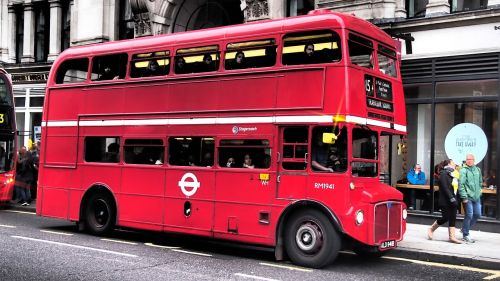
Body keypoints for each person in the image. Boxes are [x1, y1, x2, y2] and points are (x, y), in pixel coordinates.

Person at [427, 160, 462, 244]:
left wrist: (457, 198)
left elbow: (456, 188)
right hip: (445, 200)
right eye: (453, 163)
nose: (455, 164)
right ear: (448, 164)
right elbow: (445, 187)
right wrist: (451, 198)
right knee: (445, 217)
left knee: (453, 217)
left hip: (454, 199)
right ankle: (431, 229)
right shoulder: (443, 173)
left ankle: (452, 237)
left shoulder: (454, 174)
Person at [459, 153, 483, 243]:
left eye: (470, 159)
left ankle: (464, 228)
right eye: (467, 159)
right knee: (469, 214)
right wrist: (464, 196)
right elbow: (461, 185)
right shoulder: (463, 170)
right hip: (468, 197)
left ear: (474, 160)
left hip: (477, 197)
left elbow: (480, 182)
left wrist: (480, 190)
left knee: (477, 214)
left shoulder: (478, 169)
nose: (469, 160)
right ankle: (466, 234)